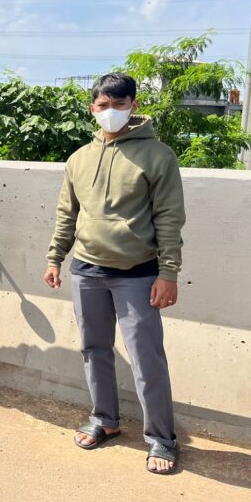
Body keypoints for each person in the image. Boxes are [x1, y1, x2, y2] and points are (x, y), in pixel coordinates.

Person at [44, 73, 185, 475]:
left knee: (146, 358)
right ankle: (105, 419)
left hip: (137, 273)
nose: (110, 112)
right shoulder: (79, 158)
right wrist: (55, 258)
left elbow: (170, 218)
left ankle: (161, 439)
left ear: (133, 106)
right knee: (94, 349)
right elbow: (66, 213)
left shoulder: (158, 155)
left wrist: (168, 272)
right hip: (86, 268)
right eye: (103, 105)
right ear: (93, 108)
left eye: (119, 104)